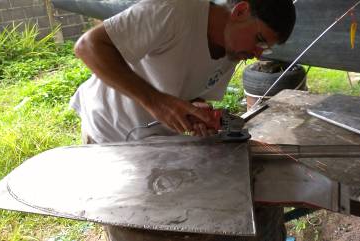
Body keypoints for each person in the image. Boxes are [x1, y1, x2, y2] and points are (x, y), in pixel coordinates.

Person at [70, 0, 296, 240]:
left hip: (156, 142)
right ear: (240, 11)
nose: (257, 54)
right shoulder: (174, 10)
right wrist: (157, 102)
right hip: (111, 133)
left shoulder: (231, 51)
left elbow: (190, 93)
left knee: (185, 223)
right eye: (259, 40)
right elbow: (88, 46)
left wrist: (196, 111)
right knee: (138, 229)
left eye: (266, 49)